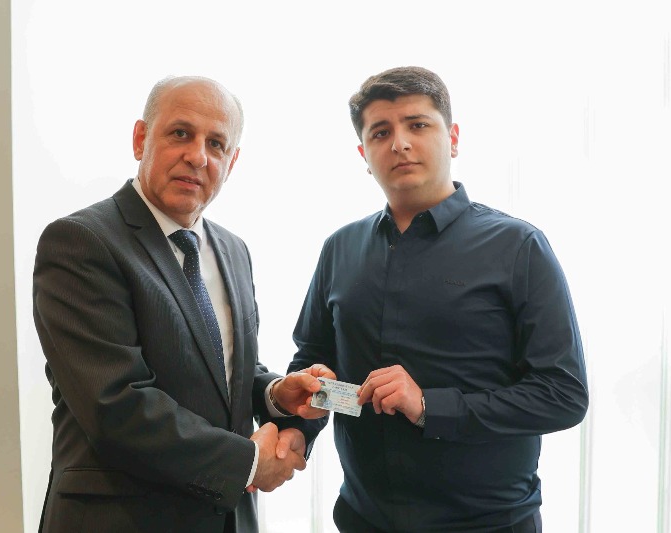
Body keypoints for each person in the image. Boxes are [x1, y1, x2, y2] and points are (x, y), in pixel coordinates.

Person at [286, 66, 589, 532]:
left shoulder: (519, 246)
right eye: (381, 132)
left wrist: (429, 406)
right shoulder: (339, 248)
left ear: (453, 138)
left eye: (418, 124)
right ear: (364, 154)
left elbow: (562, 395)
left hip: (488, 524)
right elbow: (314, 361)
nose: (400, 143)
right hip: (363, 519)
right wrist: (299, 425)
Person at [33, 75, 331, 533]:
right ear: (140, 139)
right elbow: (116, 404)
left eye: (216, 144)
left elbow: (222, 371)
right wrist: (250, 463)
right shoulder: (81, 241)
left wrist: (274, 394)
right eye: (180, 133)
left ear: (232, 162)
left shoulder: (233, 250)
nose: (197, 156)